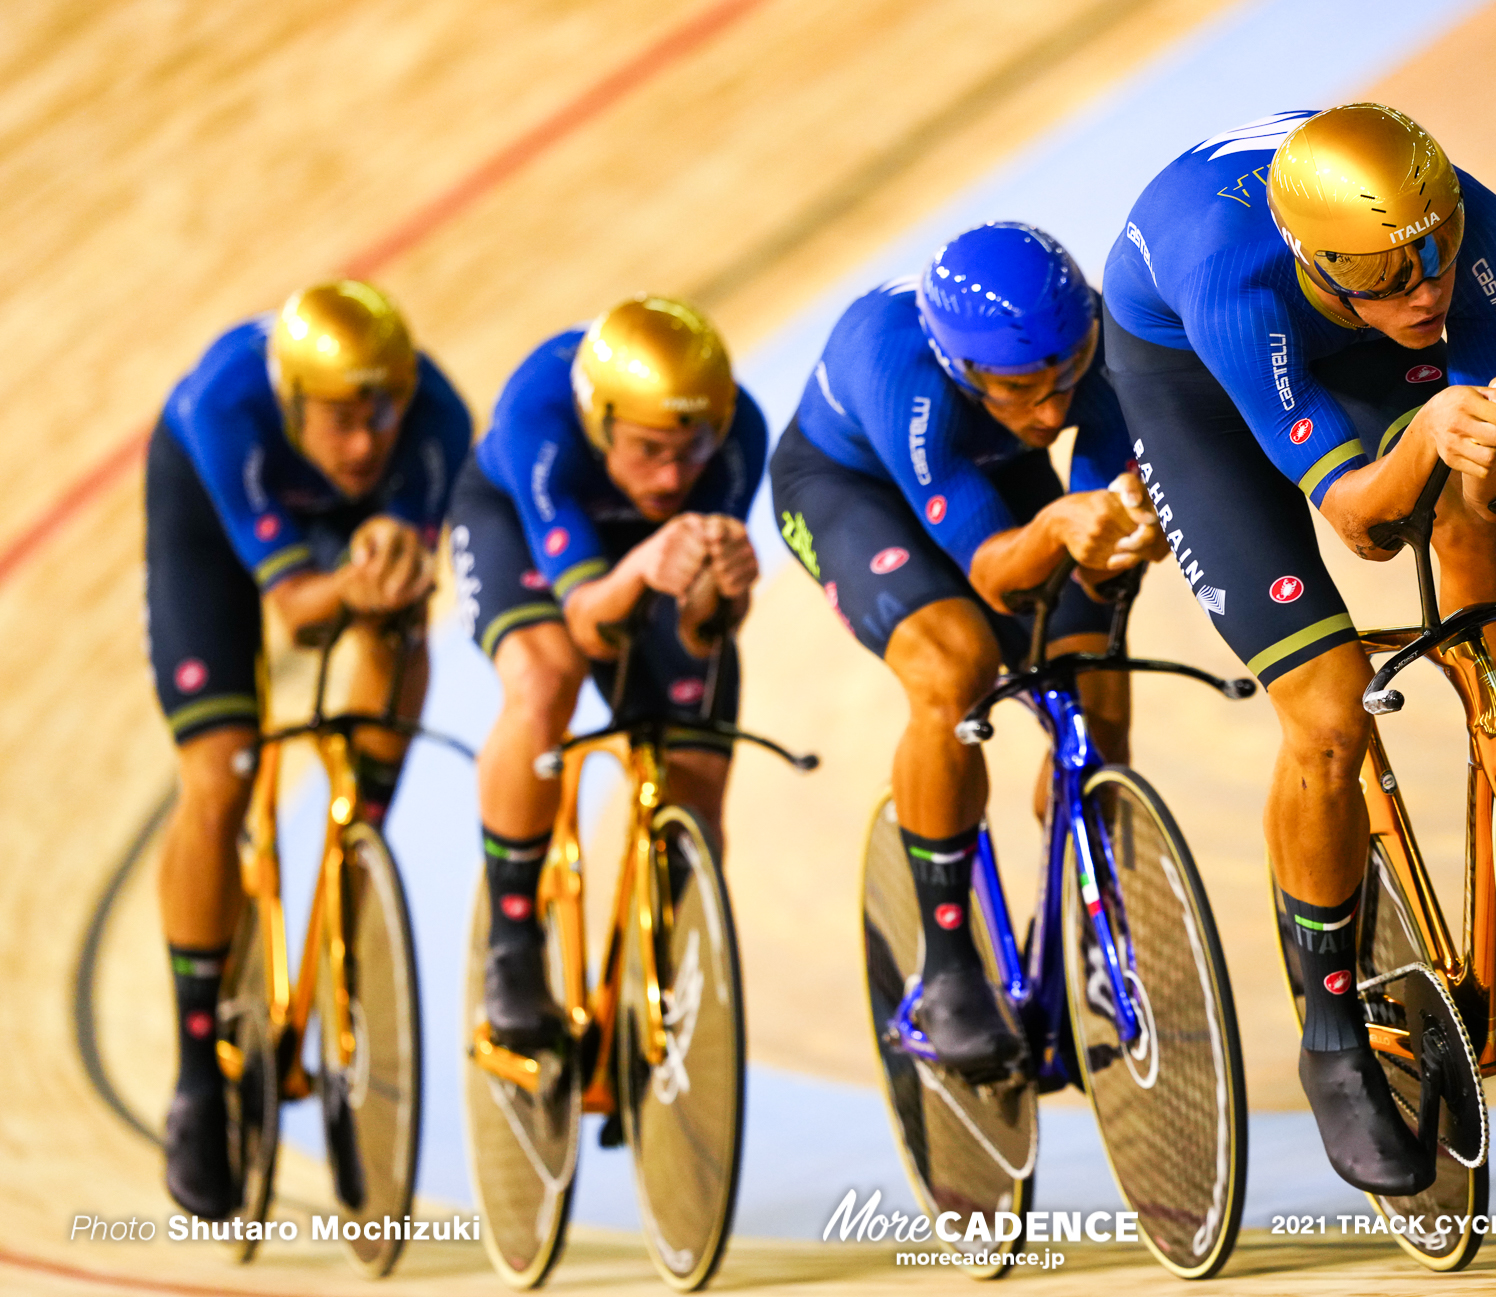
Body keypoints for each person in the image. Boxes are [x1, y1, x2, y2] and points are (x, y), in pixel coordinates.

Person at [1101, 104, 1496, 1194]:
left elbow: (1478, 422)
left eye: (1433, 256)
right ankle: (1329, 1037)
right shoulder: (1234, 277)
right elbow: (1361, 525)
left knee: (1486, 480)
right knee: (1328, 711)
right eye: (1384, 275)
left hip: (1334, 346)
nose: (1424, 292)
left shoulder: (1477, 232)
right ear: (1319, 259)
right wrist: (1423, 429)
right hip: (1189, 384)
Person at [770, 222, 1166, 1081]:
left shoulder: (1080, 350)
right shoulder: (902, 370)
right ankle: (947, 967)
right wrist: (1064, 523)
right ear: (964, 368)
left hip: (986, 462)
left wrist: (1129, 529)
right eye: (1026, 387)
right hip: (856, 492)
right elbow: (996, 577)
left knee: (1091, 670)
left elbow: (1104, 510)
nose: (1055, 409)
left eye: (1068, 373)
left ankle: (1097, 917)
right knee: (955, 670)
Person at [145, 280, 471, 1218]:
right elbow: (295, 616)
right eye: (340, 420)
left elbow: (396, 593)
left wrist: (391, 568)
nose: (366, 441)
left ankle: (353, 846)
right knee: (222, 769)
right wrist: (357, 578)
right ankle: (196, 1068)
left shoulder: (440, 419)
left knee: (398, 626)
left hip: (338, 533)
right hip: (210, 521)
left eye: (381, 414)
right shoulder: (228, 404)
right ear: (293, 405)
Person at [449, 296, 764, 1052]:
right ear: (600, 423)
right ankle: (513, 943)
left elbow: (704, 631)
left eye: (693, 450)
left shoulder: (739, 432)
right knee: (547, 682)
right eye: (650, 449)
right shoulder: (540, 414)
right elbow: (590, 621)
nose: (674, 473)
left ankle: (660, 965)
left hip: (648, 557)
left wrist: (723, 594)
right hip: (524, 539)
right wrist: (642, 567)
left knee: (694, 758)